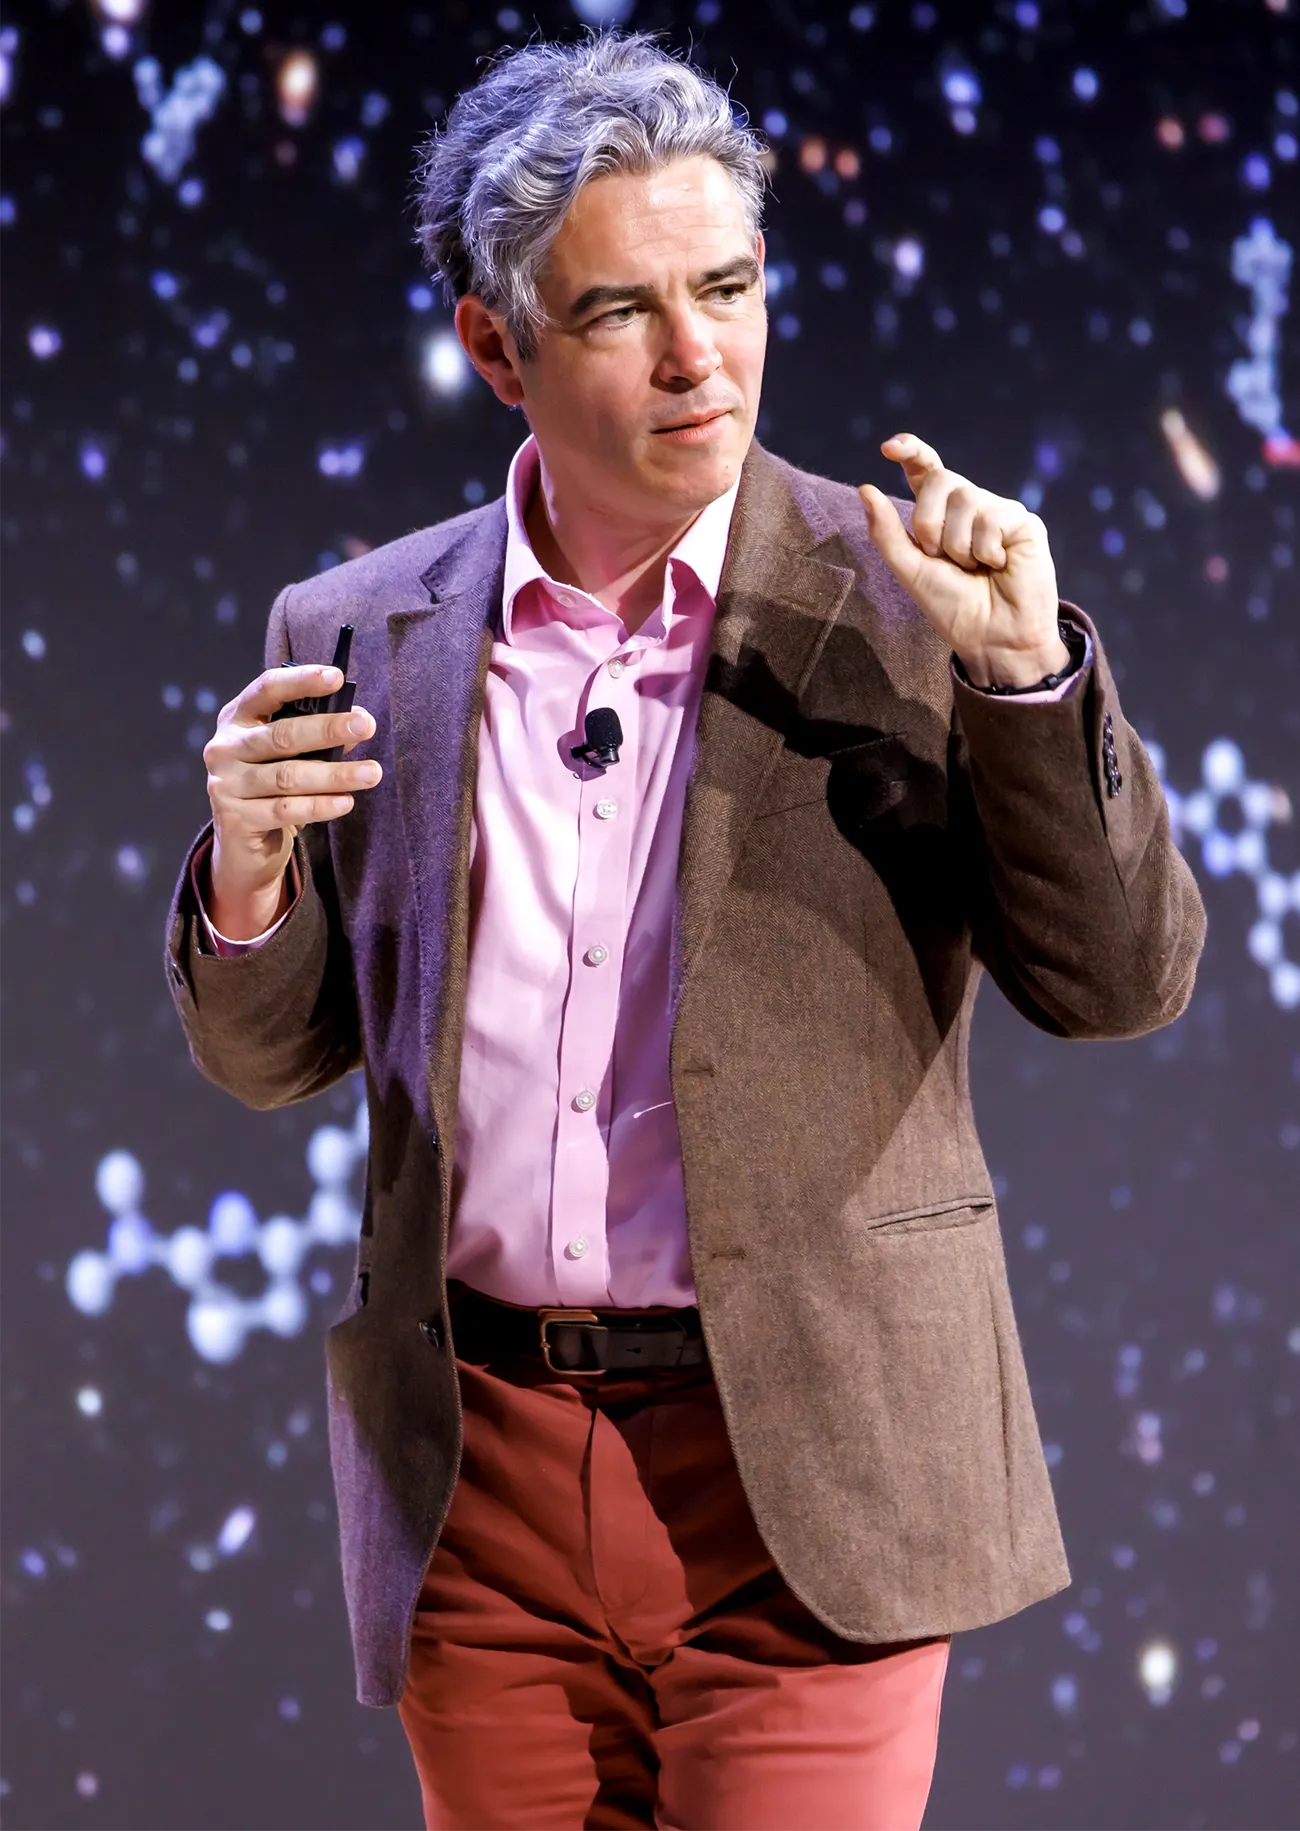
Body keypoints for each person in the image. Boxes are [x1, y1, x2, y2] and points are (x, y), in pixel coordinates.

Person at [166, 31, 1205, 1831]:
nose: (697, 354)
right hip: (476, 1488)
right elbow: (281, 1057)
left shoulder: (913, 600)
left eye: (727, 285)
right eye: (622, 310)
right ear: (499, 346)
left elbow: (1119, 983)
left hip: (800, 1472)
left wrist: (1028, 678)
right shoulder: (360, 630)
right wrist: (244, 888)